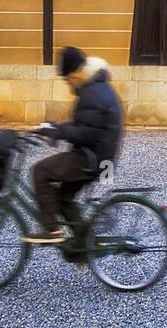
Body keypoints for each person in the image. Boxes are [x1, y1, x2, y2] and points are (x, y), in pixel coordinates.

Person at [23, 46, 125, 244]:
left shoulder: (92, 93)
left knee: (41, 171)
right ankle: (85, 245)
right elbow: (85, 127)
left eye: (66, 77)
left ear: (76, 74)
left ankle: (51, 229)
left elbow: (85, 134)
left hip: (91, 159)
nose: (67, 82)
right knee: (63, 199)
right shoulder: (95, 88)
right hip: (99, 157)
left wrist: (58, 132)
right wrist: (55, 128)